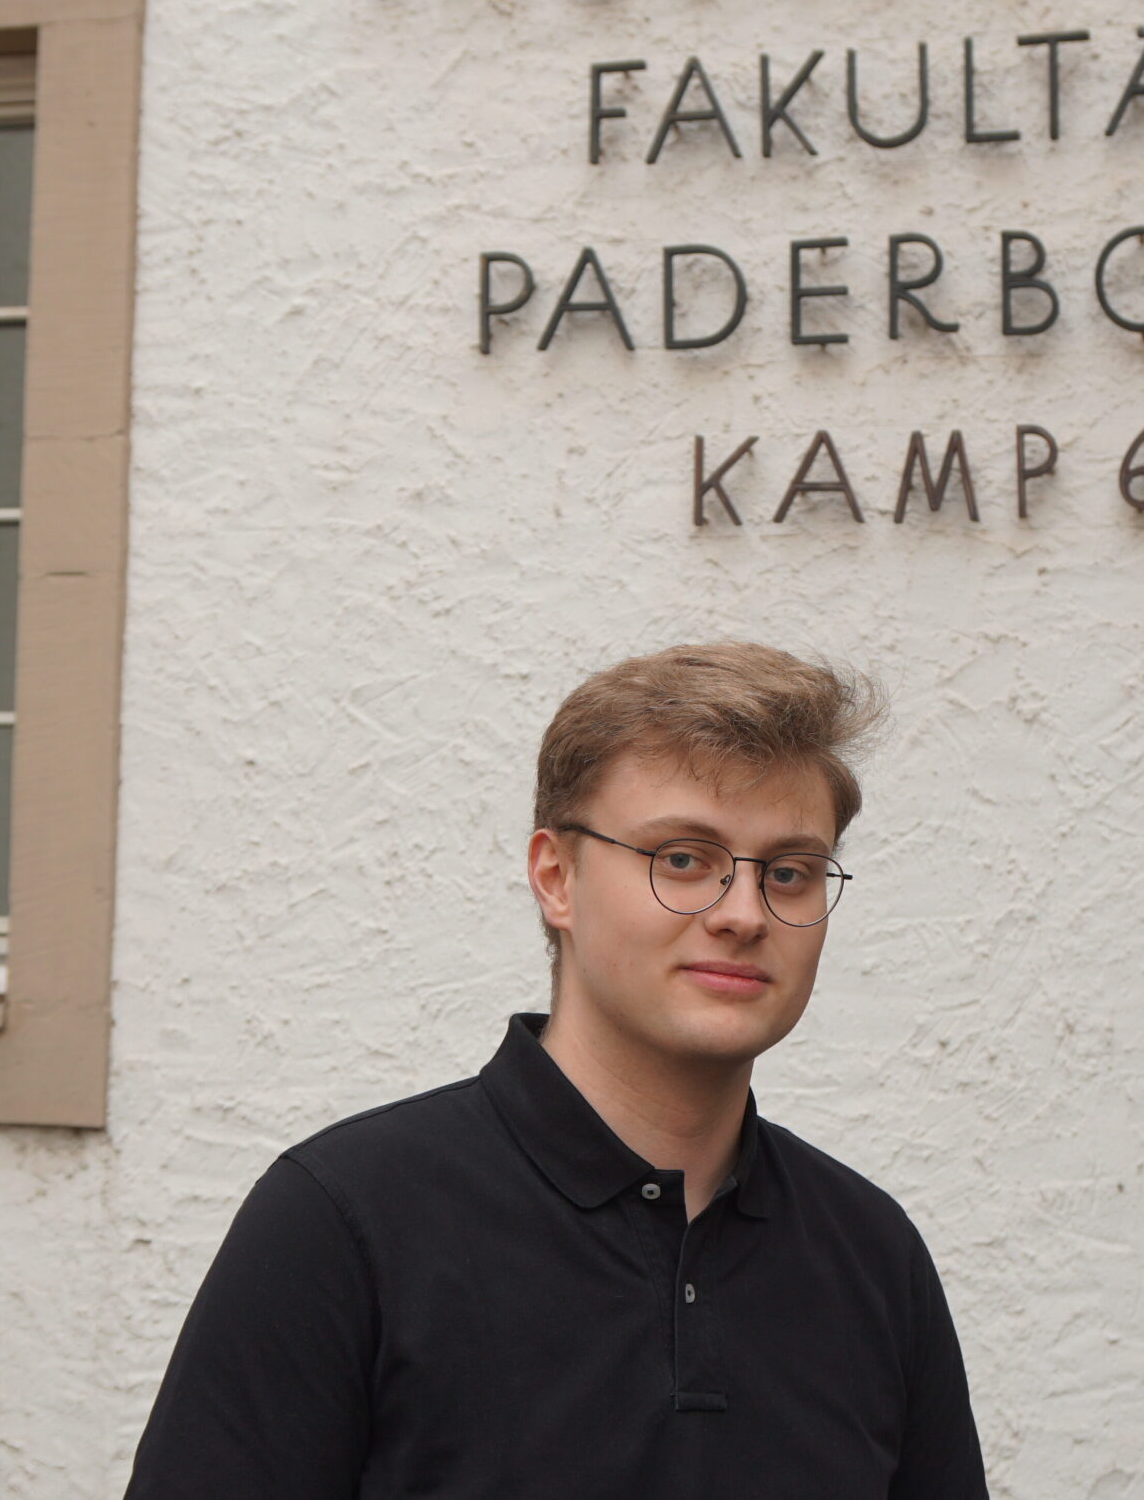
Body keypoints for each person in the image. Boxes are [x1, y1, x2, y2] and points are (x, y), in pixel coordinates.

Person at [122, 642, 988, 1499]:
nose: (743, 913)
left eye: (789, 872)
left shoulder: (874, 1257)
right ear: (556, 877)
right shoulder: (344, 1223)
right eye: (683, 859)